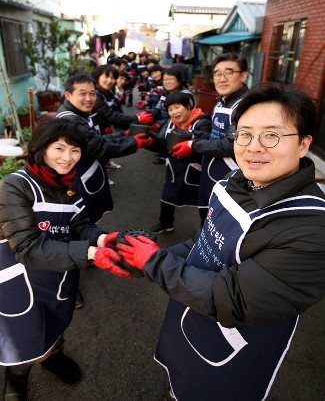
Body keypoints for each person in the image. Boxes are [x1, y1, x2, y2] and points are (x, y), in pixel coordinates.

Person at [115, 84, 325, 401]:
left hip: (237, 341)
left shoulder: (311, 226)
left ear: (303, 144)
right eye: (244, 135)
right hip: (192, 311)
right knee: (181, 380)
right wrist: (143, 260)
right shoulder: (234, 182)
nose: (254, 147)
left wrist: (155, 263)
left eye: (272, 135)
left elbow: (234, 299)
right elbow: (205, 243)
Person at [0, 118, 132, 400]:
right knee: (24, 335)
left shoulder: (69, 185)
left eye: (75, 151)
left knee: (57, 319)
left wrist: (104, 239)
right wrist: (92, 253)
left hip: (59, 275)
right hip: (23, 278)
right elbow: (27, 246)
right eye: (59, 148)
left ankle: (53, 356)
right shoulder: (15, 185)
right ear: (40, 149)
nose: (68, 158)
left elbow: (80, 223)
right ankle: (16, 380)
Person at [56, 73, 152, 223]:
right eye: (82, 94)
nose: (88, 98)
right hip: (79, 179)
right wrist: (133, 143)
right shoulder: (70, 120)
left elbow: (95, 139)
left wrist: (123, 135)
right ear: (68, 95)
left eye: (92, 93)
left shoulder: (78, 114)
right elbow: (99, 146)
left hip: (90, 172)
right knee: (84, 222)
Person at [191, 52, 249, 220]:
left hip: (231, 178)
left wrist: (192, 145)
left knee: (221, 222)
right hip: (210, 172)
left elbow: (231, 145)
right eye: (217, 74)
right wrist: (193, 134)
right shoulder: (221, 101)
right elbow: (214, 133)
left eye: (228, 73)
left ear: (243, 76)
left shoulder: (246, 106)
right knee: (205, 217)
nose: (221, 78)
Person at [148, 92, 211, 234]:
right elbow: (162, 143)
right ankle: (166, 223)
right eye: (170, 109)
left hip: (196, 169)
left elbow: (206, 142)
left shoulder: (202, 122)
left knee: (203, 202)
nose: (174, 112)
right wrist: (147, 140)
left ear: (188, 106)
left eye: (177, 107)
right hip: (174, 168)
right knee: (167, 196)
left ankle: (206, 232)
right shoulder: (171, 123)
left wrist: (191, 144)